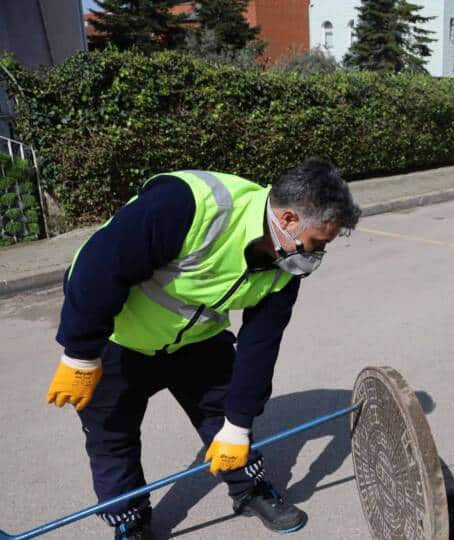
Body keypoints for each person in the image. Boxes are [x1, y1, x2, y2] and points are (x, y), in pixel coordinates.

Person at [46, 159, 361, 539]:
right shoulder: (190, 205)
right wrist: (81, 353)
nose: (315, 257)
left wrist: (239, 425)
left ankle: (249, 487)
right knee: (111, 435)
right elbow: (98, 267)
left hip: (197, 340)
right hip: (120, 338)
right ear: (289, 219)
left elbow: (260, 345)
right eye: (317, 244)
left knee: (223, 413)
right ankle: (129, 517)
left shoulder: (285, 263)